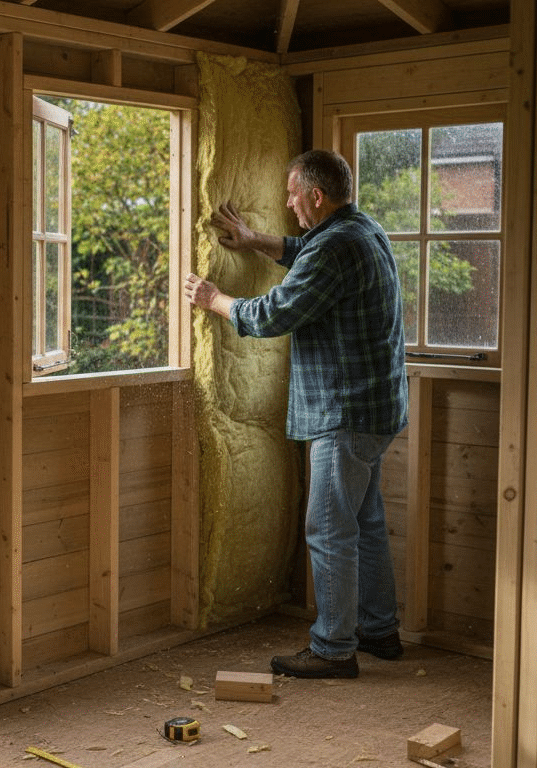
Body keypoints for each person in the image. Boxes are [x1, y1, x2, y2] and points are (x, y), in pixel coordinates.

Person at [183, 149, 409, 679]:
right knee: (365, 523)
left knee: (329, 529)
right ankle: (379, 630)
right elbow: (307, 250)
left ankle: (334, 648)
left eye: (291, 194)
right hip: (376, 408)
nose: (287, 202)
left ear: (315, 195)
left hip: (345, 411)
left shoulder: (335, 247)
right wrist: (255, 240)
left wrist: (215, 299)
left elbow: (276, 312)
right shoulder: (362, 228)